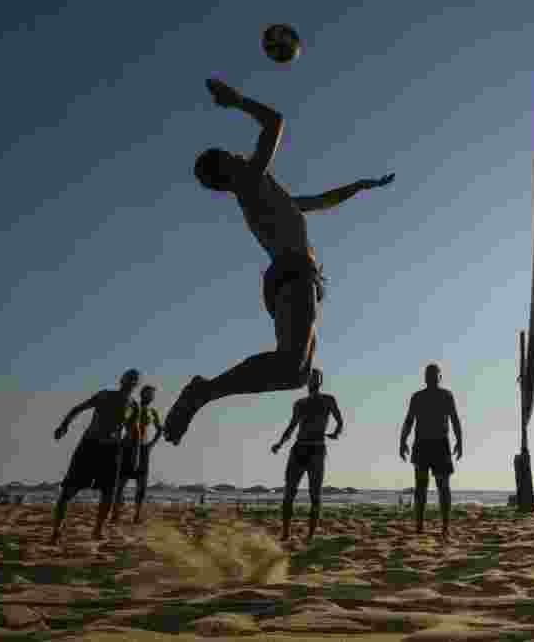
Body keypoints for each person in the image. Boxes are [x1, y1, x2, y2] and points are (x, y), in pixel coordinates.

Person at [164, 78, 394, 445]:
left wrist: (358, 187)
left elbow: (317, 202)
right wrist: (238, 102)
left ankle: (204, 392)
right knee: (291, 365)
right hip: (292, 274)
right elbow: (275, 122)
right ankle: (203, 392)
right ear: (226, 173)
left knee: (297, 375)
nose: (239, 155)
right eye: (230, 157)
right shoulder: (250, 181)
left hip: (297, 278)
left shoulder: (268, 193)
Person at [49, 369, 140, 544]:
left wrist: (134, 456)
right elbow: (78, 408)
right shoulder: (104, 395)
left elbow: (133, 431)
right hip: (89, 446)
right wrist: (64, 426)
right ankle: (56, 530)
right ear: (121, 380)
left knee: (109, 493)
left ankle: (97, 530)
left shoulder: (133, 406)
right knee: (68, 491)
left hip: (112, 451)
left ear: (137, 385)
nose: (131, 382)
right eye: (129, 378)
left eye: (135, 380)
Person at [271, 368, 344, 543]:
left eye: (316, 377)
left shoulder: (328, 400)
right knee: (289, 492)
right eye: (310, 377)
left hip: (317, 449)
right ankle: (286, 533)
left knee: (315, 494)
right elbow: (292, 426)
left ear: (321, 381)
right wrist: (280, 443)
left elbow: (340, 420)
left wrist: (336, 432)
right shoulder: (299, 403)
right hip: (299, 448)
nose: (313, 380)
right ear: (306, 381)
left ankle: (310, 535)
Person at [399, 364, 463, 539]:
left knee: (443, 487)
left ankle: (445, 526)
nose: (432, 377)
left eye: (435, 375)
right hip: (422, 445)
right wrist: (402, 441)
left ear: (440, 377)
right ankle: (419, 526)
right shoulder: (418, 397)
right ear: (425, 378)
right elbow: (409, 421)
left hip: (441, 444)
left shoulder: (446, 395)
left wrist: (460, 441)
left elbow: (455, 419)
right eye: (429, 375)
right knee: (421, 487)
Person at [112, 384, 162, 525]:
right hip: (128, 447)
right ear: (142, 394)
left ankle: (137, 515)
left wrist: (151, 445)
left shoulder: (152, 411)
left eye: (152, 395)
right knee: (120, 483)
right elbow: (120, 423)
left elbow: (159, 429)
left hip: (144, 449)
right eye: (147, 394)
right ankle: (115, 513)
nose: (150, 397)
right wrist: (119, 442)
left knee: (142, 484)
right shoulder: (132, 407)